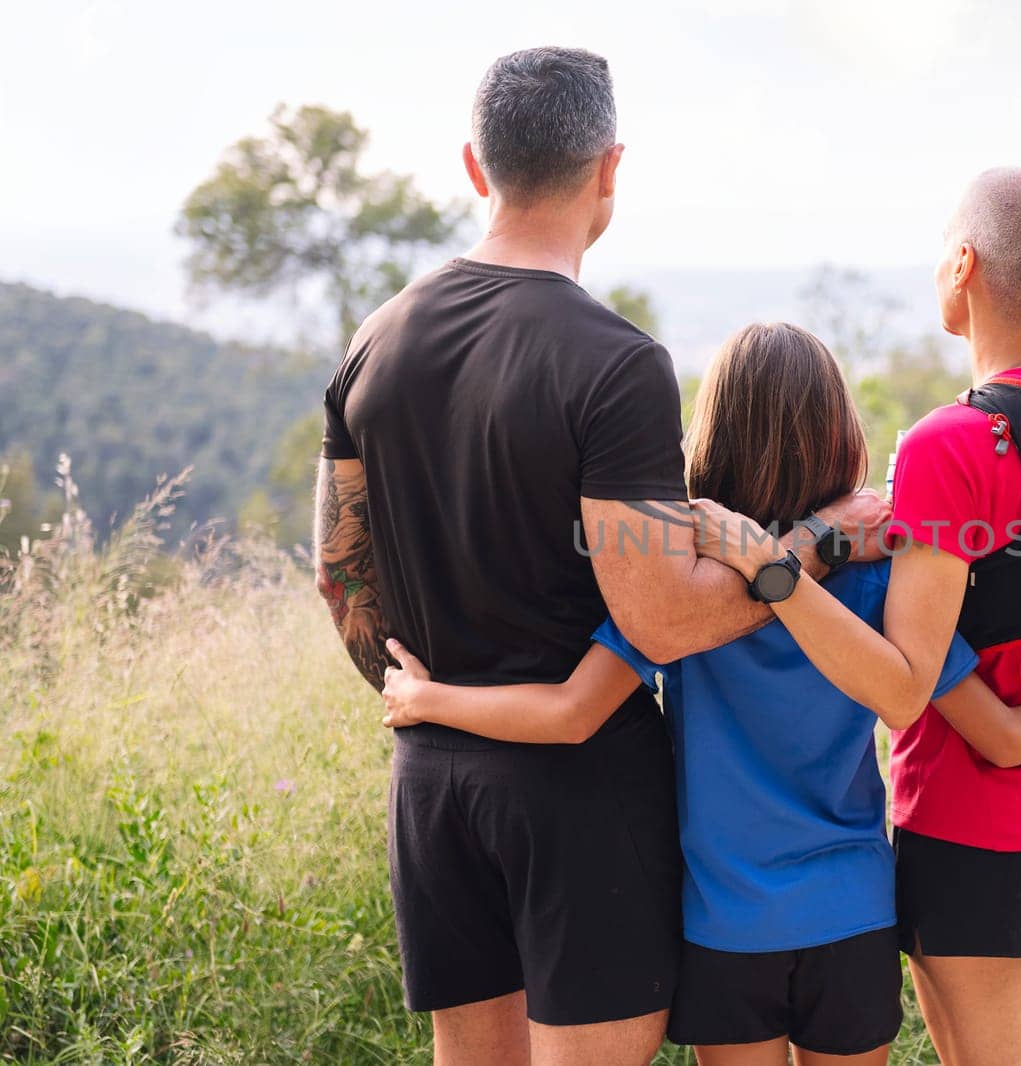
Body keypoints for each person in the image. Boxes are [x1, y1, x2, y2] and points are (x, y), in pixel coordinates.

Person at [312, 49, 884, 1066]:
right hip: (577, 797)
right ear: (609, 168)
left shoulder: (376, 340)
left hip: (432, 778)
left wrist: (422, 693)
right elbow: (664, 619)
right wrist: (813, 544)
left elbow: (338, 570)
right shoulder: (612, 363)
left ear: (475, 166)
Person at [378, 321, 1021, 1066]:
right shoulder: (876, 584)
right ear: (839, 433)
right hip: (853, 911)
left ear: (711, 435)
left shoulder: (682, 599)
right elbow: (997, 728)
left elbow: (573, 712)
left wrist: (427, 701)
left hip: (726, 925)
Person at [696, 168, 1021, 1066]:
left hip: (976, 832)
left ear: (963, 263)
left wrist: (780, 570)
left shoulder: (944, 445)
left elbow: (907, 687)